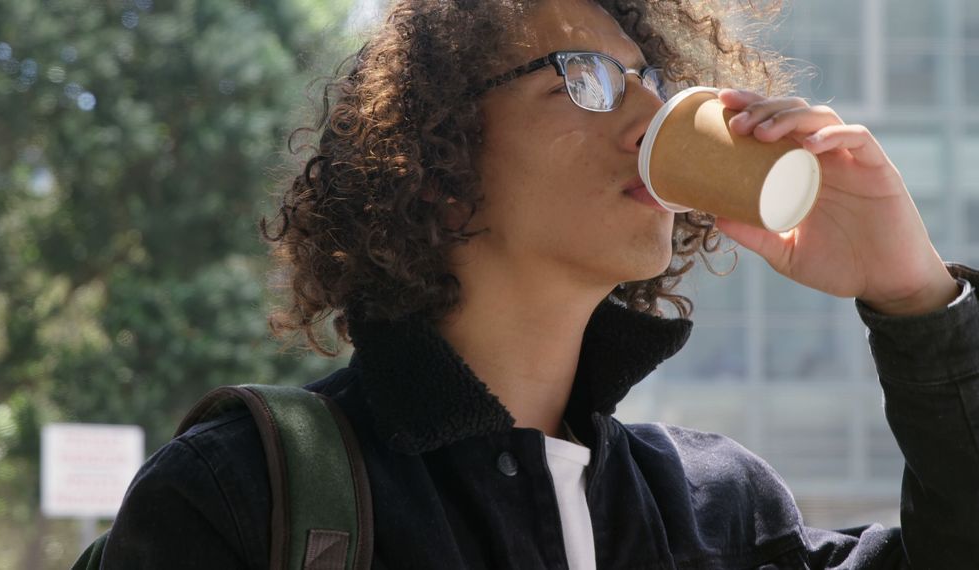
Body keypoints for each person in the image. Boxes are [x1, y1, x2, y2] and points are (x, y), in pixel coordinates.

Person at [100, 0, 979, 567]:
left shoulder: (724, 515)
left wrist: (916, 296)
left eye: (652, 80)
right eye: (585, 77)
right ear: (435, 157)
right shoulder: (244, 494)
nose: (651, 118)